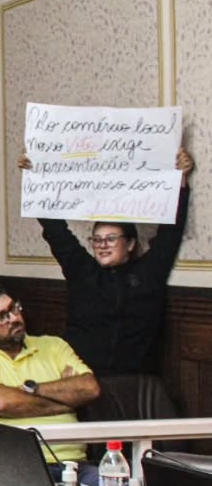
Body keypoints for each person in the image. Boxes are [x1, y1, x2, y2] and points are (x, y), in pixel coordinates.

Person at [21, 148, 194, 388]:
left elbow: (170, 233)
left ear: (131, 243)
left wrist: (180, 179)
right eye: (97, 239)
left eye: (111, 238)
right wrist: (35, 178)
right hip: (83, 381)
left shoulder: (149, 272)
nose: (102, 245)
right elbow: (56, 231)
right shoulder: (82, 270)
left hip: (137, 384)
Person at [0, 281, 101, 486]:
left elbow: (90, 388)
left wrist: (33, 388)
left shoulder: (53, 346)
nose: (14, 318)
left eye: (14, 308)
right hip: (7, 470)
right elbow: (4, 403)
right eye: (1, 317)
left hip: (73, 467)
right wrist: (68, 401)